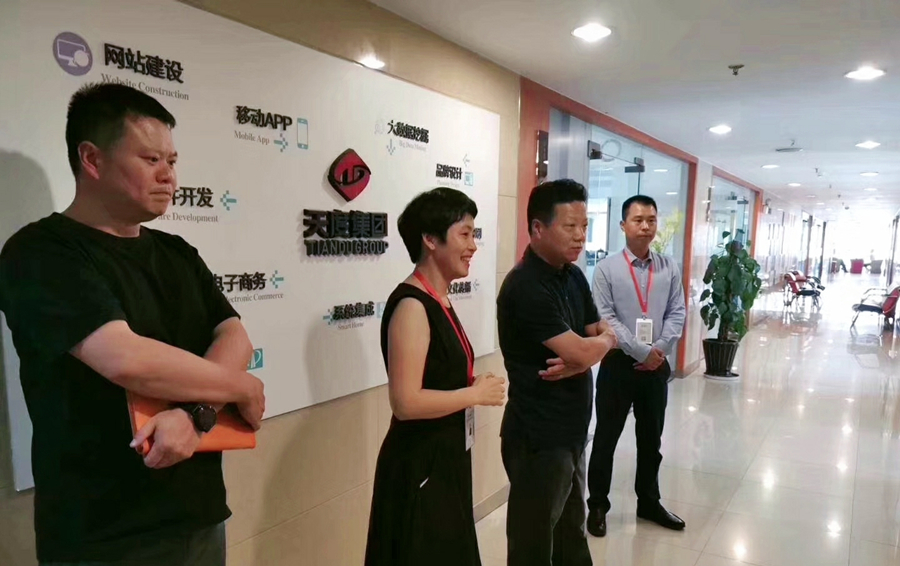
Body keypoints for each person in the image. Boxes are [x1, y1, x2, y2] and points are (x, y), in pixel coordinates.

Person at [0, 83, 266, 565]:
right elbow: (125, 358)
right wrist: (241, 387)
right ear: (92, 159)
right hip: (103, 532)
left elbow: (234, 334)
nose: (169, 175)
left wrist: (196, 417)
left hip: (198, 513)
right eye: (150, 159)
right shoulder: (40, 253)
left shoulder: (177, 253)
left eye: (172, 160)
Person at [365, 187, 507, 566]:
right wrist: (474, 395)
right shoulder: (412, 306)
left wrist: (470, 386)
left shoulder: (439, 298)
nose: (473, 246)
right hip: (419, 464)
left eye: (474, 234)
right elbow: (405, 402)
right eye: (464, 234)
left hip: (445, 458)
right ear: (430, 239)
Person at [497, 179, 618, 566]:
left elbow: (596, 331)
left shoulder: (572, 274)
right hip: (538, 437)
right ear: (537, 228)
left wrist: (593, 348)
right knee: (533, 545)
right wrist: (595, 348)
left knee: (570, 536)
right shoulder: (525, 287)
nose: (580, 236)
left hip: (571, 432)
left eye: (584, 226)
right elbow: (588, 344)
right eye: (570, 226)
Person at [586, 195, 687, 538]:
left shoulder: (668, 267)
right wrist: (640, 351)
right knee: (606, 438)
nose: (646, 226)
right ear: (623, 225)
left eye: (651, 220)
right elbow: (606, 317)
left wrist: (658, 350)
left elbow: (677, 312)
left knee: (651, 440)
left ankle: (649, 502)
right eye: (638, 220)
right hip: (617, 364)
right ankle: (597, 505)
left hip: (656, 365)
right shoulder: (606, 268)